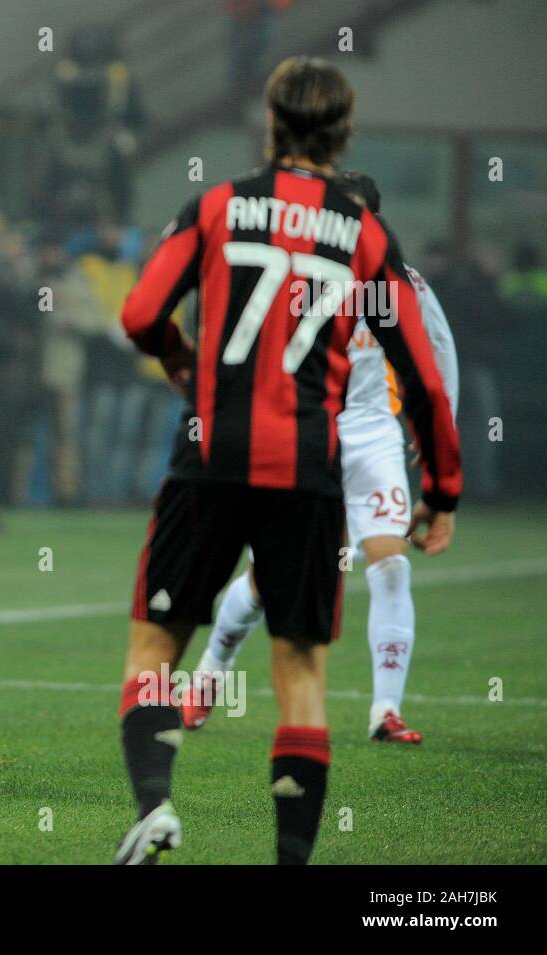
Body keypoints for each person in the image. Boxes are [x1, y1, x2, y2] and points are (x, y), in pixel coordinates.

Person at [111, 56, 461, 865]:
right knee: (301, 672)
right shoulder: (367, 235)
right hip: (309, 462)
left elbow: (138, 314)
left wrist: (177, 355)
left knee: (155, 646)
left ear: (269, 124)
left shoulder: (216, 205)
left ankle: (156, 805)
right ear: (344, 134)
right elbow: (424, 375)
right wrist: (442, 487)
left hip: (209, 451)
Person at [180, 171, 460, 745]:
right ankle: (209, 673)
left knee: (390, 561)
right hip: (310, 437)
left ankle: (386, 711)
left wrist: (439, 427)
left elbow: (438, 354)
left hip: (376, 436)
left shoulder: (405, 284)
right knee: (269, 581)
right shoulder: (304, 274)